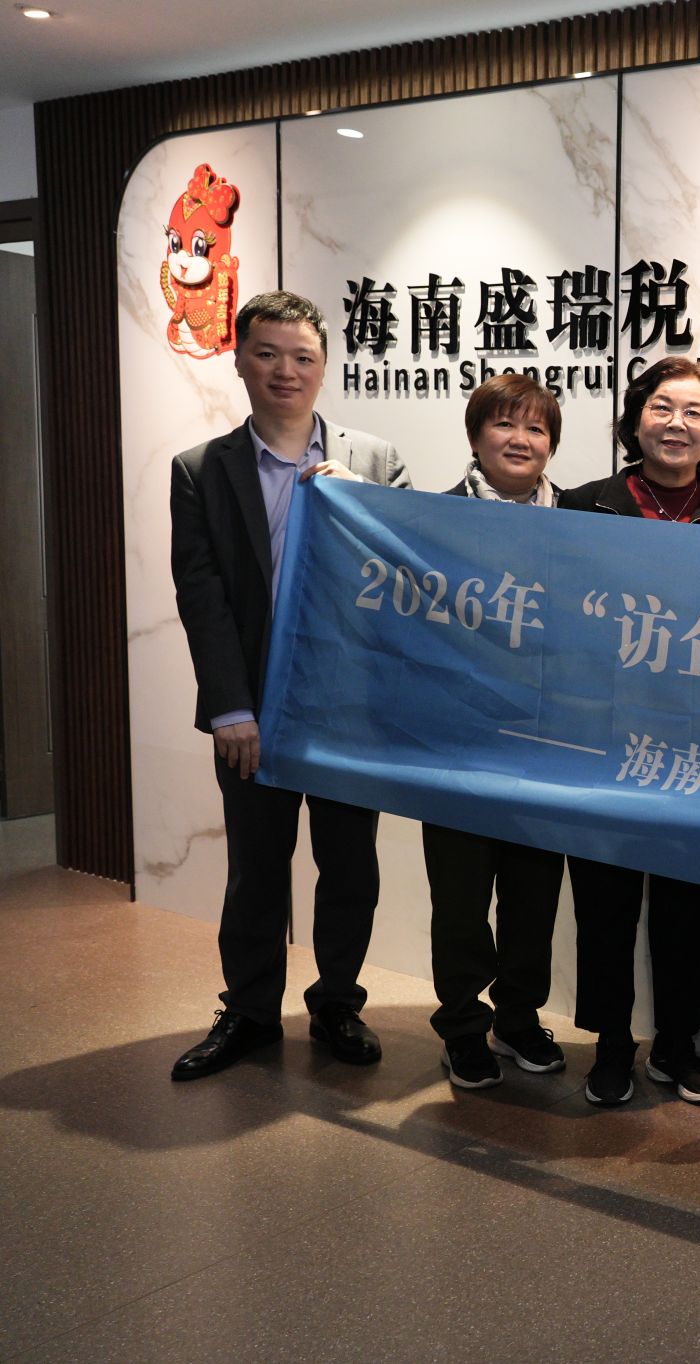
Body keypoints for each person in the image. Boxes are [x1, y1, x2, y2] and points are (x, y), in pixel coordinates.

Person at [167, 290, 411, 1081]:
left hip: (348, 709)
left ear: (323, 367)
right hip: (255, 711)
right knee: (256, 868)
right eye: (267, 353)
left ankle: (337, 1001)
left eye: (303, 356)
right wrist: (230, 706)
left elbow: (409, 576)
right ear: (240, 360)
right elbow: (202, 594)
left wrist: (361, 506)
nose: (285, 370)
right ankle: (249, 1009)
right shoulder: (201, 469)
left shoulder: (376, 461)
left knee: (350, 866)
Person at [557, 356, 700, 1106]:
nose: (677, 423)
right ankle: (611, 1044)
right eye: (662, 407)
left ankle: (677, 1045)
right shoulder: (584, 506)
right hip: (603, 739)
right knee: (604, 903)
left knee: (687, 907)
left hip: (698, 745)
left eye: (695, 411)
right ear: (635, 421)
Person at [426, 374, 569, 1089]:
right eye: (504, 424)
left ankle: (517, 1016)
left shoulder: (581, 521)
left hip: (548, 746)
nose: (520, 440)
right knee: (459, 899)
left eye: (536, 428)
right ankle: (461, 1025)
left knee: (532, 896)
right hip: (458, 743)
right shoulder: (432, 518)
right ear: (475, 435)